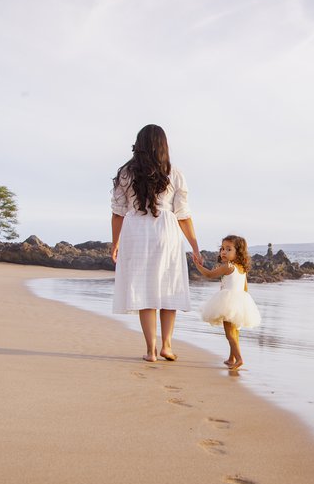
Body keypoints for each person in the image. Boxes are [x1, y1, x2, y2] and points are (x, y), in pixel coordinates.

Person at [111, 124, 202, 362]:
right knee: (168, 285)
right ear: (163, 145)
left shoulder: (125, 174)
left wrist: (115, 243)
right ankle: (167, 346)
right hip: (166, 231)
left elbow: (118, 213)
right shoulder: (174, 173)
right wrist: (194, 245)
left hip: (135, 232)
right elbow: (183, 214)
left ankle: (150, 350)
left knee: (144, 289)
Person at [194, 235, 261, 370]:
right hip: (240, 302)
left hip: (228, 302)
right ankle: (232, 358)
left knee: (229, 334)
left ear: (238, 252)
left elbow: (209, 274)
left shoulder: (228, 267)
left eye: (228, 249)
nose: (223, 252)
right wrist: (243, 304)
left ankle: (239, 359)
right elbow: (245, 288)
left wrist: (198, 265)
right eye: (222, 248)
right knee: (235, 332)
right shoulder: (242, 268)